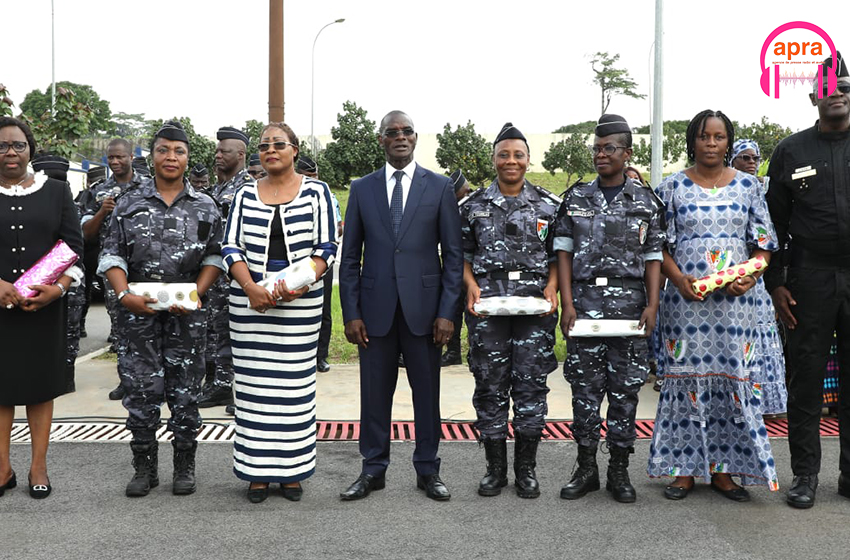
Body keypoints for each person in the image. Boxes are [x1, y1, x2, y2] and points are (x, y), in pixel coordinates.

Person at [647, 110, 779, 502]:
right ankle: (684, 470)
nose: (710, 143)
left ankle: (724, 472)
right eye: (704, 136)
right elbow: (657, 246)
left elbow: (764, 245)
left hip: (736, 307)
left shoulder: (748, 186)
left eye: (718, 137)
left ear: (728, 142)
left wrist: (750, 276)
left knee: (730, 380)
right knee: (686, 380)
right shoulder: (671, 187)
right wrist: (678, 280)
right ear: (692, 141)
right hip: (685, 304)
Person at [339, 110, 462, 502]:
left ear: (416, 137)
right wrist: (351, 313)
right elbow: (350, 258)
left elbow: (453, 258)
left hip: (425, 313)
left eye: (407, 130)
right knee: (374, 397)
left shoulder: (439, 187)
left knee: (426, 396)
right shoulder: (362, 189)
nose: (400, 137)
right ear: (381, 140)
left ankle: (428, 470)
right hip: (374, 313)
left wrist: (446, 313)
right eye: (392, 132)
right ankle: (372, 470)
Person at [99, 121, 223, 497]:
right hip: (138, 313)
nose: (171, 157)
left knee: (186, 391)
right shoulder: (128, 202)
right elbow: (111, 255)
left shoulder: (205, 205)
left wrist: (196, 293)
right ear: (151, 155)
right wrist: (124, 296)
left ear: (188, 157)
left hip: (187, 315)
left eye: (179, 151)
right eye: (163, 150)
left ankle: (184, 465)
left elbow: (215, 256)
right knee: (140, 389)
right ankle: (144, 467)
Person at [222, 122, 337, 503]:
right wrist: (250, 288)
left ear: (295, 150)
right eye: (264, 146)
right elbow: (230, 247)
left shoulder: (317, 192)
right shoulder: (244, 193)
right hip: (249, 304)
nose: (270, 150)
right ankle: (256, 473)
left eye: (279, 144)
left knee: (294, 390)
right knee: (253, 390)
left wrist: (301, 284)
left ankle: (291, 472)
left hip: (300, 304)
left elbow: (326, 247)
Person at [555, 114, 664, 503]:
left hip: (630, 308)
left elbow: (654, 256)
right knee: (584, 391)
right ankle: (586, 468)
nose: (601, 155)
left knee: (625, 391)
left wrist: (653, 304)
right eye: (597, 148)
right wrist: (567, 303)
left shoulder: (646, 202)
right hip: (585, 306)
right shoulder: (576, 198)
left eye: (609, 148)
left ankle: (619, 470)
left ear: (627, 153)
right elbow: (563, 253)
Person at [766, 52, 850, 509]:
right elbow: (773, 225)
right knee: (806, 381)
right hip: (808, 278)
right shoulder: (791, 151)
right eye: (828, 86)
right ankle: (805, 476)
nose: (836, 93)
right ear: (814, 95)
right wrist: (776, 282)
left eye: (844, 85)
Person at [461, 124, 560, 498]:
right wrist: (470, 285)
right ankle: (495, 470)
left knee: (531, 385)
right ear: (494, 160)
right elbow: (462, 255)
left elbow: (558, 255)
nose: (511, 161)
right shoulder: (472, 206)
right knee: (490, 384)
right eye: (504, 155)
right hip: (488, 309)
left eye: (518, 154)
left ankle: (526, 470)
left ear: (528, 159)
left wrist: (552, 285)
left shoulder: (549, 205)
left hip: (535, 310)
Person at [0, 117, 84, 499]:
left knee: (39, 388)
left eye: (18, 145)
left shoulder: (57, 191)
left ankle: (38, 466)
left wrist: (58, 289)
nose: (10, 152)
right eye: (2, 145)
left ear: (30, 149)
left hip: (44, 308)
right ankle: (2, 468)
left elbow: (74, 248)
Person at [81, 138, 146, 401]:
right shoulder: (99, 191)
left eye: (120, 156)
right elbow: (86, 233)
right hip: (113, 268)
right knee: (120, 326)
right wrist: (102, 212)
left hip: (145, 266)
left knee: (149, 325)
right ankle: (126, 381)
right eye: (111, 158)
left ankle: (153, 381)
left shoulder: (148, 186)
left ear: (131, 157)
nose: (115, 161)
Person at [197, 127, 256, 410]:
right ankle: (219, 383)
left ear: (241, 154)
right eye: (217, 150)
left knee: (237, 334)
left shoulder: (249, 189)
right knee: (216, 331)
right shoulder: (217, 189)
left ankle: (236, 388)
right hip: (213, 275)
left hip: (236, 275)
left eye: (224, 151)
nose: (218, 155)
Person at [728, 139, 787, 417]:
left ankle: (766, 404)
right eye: (745, 157)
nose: (751, 162)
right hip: (731, 273)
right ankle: (737, 401)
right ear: (732, 160)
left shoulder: (766, 190)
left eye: (755, 158)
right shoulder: (728, 189)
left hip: (759, 273)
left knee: (763, 338)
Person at [32, 154, 81, 395]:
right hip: (13, 288)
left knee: (68, 331)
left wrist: (60, 285)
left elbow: (75, 243)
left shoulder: (62, 196)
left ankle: (65, 376)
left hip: (63, 280)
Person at [297, 155, 343, 373]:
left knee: (324, 310)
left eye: (315, 175)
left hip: (322, 260)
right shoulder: (291, 195)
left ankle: (320, 356)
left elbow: (339, 225)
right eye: (308, 176)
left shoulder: (328, 196)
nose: (313, 179)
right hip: (297, 261)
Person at [441, 169, 472, 367]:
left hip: (472, 270)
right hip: (453, 269)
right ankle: (453, 352)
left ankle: (474, 352)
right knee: (452, 310)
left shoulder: (473, 204)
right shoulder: (453, 207)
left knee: (472, 312)